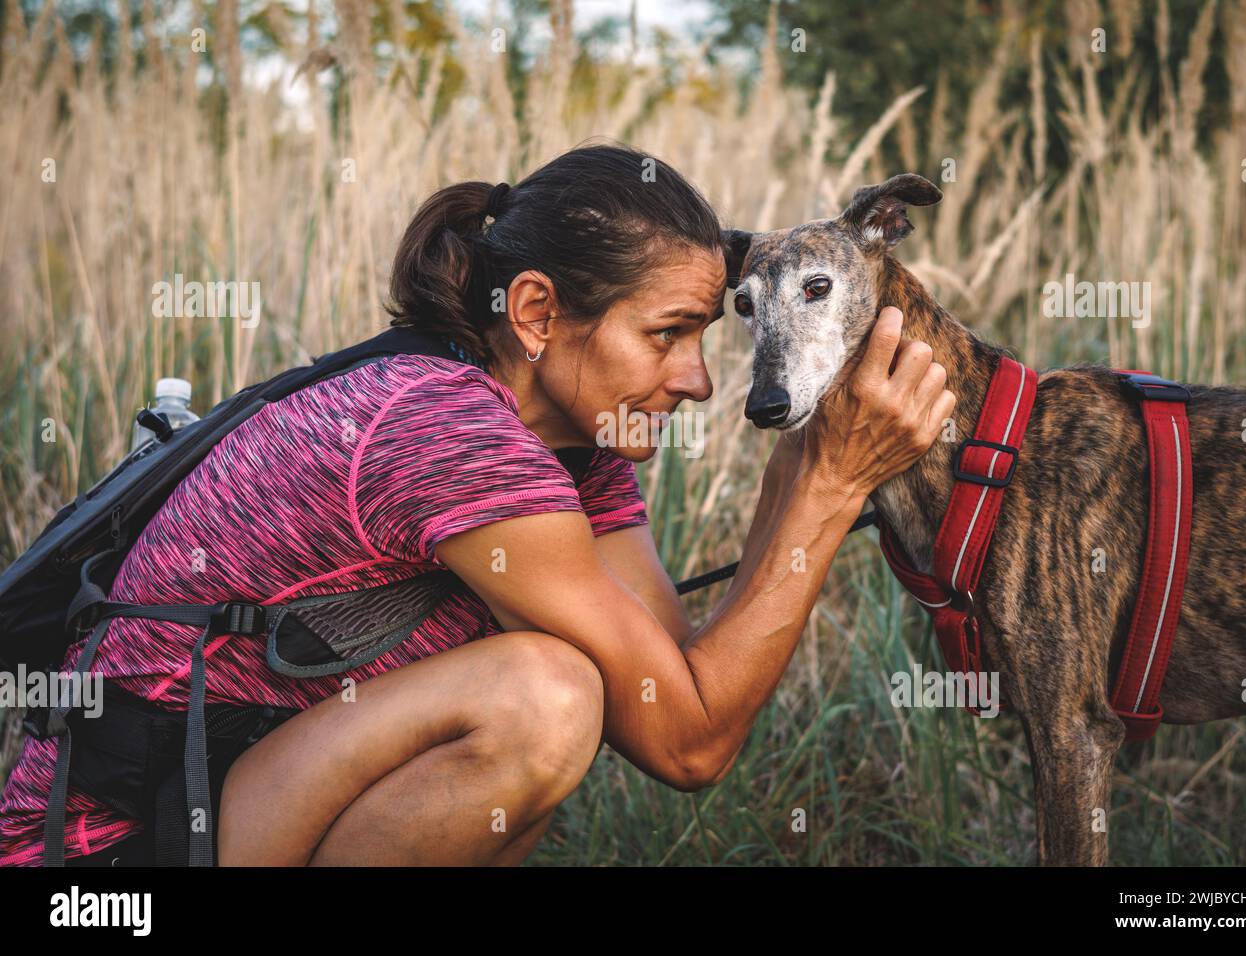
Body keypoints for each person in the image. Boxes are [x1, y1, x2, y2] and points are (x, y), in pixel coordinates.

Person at [0, 141, 953, 866]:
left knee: (566, 693)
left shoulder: (576, 445)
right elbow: (691, 743)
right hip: (107, 857)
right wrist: (833, 488)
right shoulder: (448, 431)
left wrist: (812, 454)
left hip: (239, 789)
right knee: (543, 700)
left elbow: (672, 683)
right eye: (667, 335)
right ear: (536, 315)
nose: (700, 380)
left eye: (703, 338)